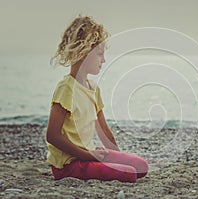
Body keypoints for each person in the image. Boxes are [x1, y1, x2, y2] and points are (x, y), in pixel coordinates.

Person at [46, 15, 148, 183]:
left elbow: (103, 130)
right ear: (83, 53)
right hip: (69, 164)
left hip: (89, 154)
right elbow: (52, 136)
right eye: (99, 54)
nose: (104, 60)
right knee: (128, 174)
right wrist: (88, 155)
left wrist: (117, 156)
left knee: (141, 167)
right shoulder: (66, 89)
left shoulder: (94, 88)